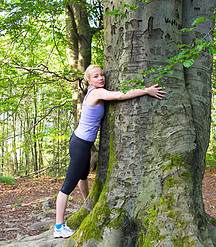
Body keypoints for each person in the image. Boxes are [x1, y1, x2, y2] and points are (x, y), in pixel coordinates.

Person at [54, 65, 166, 238]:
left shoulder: (93, 92)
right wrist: (146, 90)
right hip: (80, 145)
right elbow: (120, 95)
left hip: (80, 141)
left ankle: (87, 204)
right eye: (96, 76)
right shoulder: (97, 93)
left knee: (83, 177)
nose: (101, 78)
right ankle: (59, 227)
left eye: (102, 75)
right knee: (67, 187)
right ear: (89, 81)